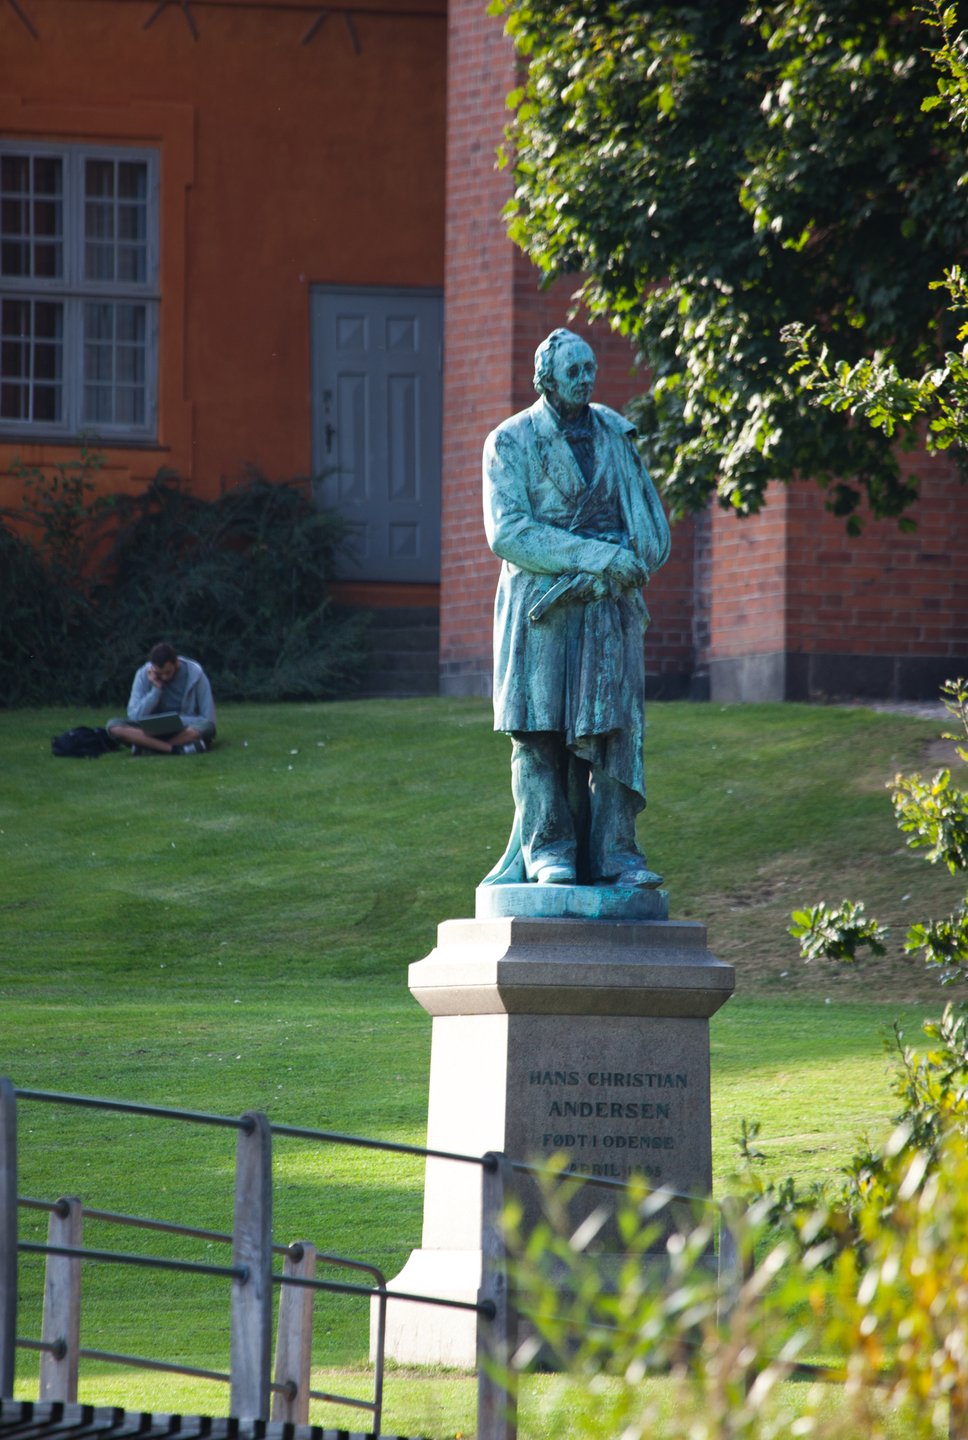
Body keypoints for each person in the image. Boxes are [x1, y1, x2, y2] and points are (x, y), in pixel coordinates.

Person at [481, 328, 671, 888]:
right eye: (574, 370)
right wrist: (597, 556)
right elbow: (510, 532)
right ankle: (547, 850)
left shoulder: (616, 433)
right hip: (541, 610)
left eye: (590, 368)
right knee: (537, 730)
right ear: (545, 378)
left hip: (606, 611)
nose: (586, 378)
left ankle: (616, 851)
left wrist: (626, 561)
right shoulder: (510, 442)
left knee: (617, 733)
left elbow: (649, 526)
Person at [107, 642, 217, 755]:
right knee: (114, 726)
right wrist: (156, 690)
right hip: (151, 730)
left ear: (176, 663)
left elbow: (208, 719)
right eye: (159, 674)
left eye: (168, 672)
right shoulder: (143, 675)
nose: (164, 677)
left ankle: (149, 747)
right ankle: (175, 749)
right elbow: (135, 716)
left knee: (204, 727)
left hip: (184, 729)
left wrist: (178, 720)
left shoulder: (195, 674)